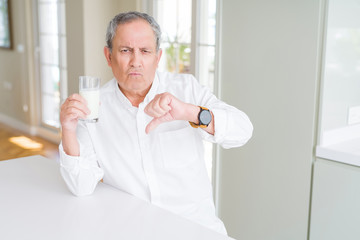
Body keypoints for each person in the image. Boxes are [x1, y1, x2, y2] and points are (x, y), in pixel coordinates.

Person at [59, 11, 253, 235]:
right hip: (133, 231)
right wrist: (68, 130)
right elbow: (80, 186)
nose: (136, 61)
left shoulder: (186, 89)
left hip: (196, 229)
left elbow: (243, 131)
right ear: (109, 56)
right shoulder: (92, 108)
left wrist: (190, 113)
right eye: (125, 50)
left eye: (145, 51)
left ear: (158, 57)